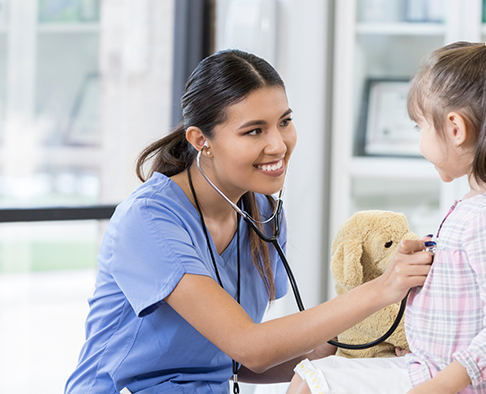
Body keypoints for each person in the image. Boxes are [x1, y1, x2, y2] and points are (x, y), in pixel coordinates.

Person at [64, 49, 434, 394]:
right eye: (254, 131)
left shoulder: (263, 214)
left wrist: (357, 346)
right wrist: (384, 288)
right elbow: (251, 347)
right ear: (200, 140)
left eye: (284, 122)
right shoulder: (149, 221)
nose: (278, 145)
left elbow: (240, 363)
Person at [288, 35, 486, 394]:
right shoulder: (477, 207)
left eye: (419, 126)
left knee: (314, 380)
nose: (419, 137)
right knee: (315, 370)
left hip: (455, 384)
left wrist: (437, 387)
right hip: (432, 369)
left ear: (455, 129)